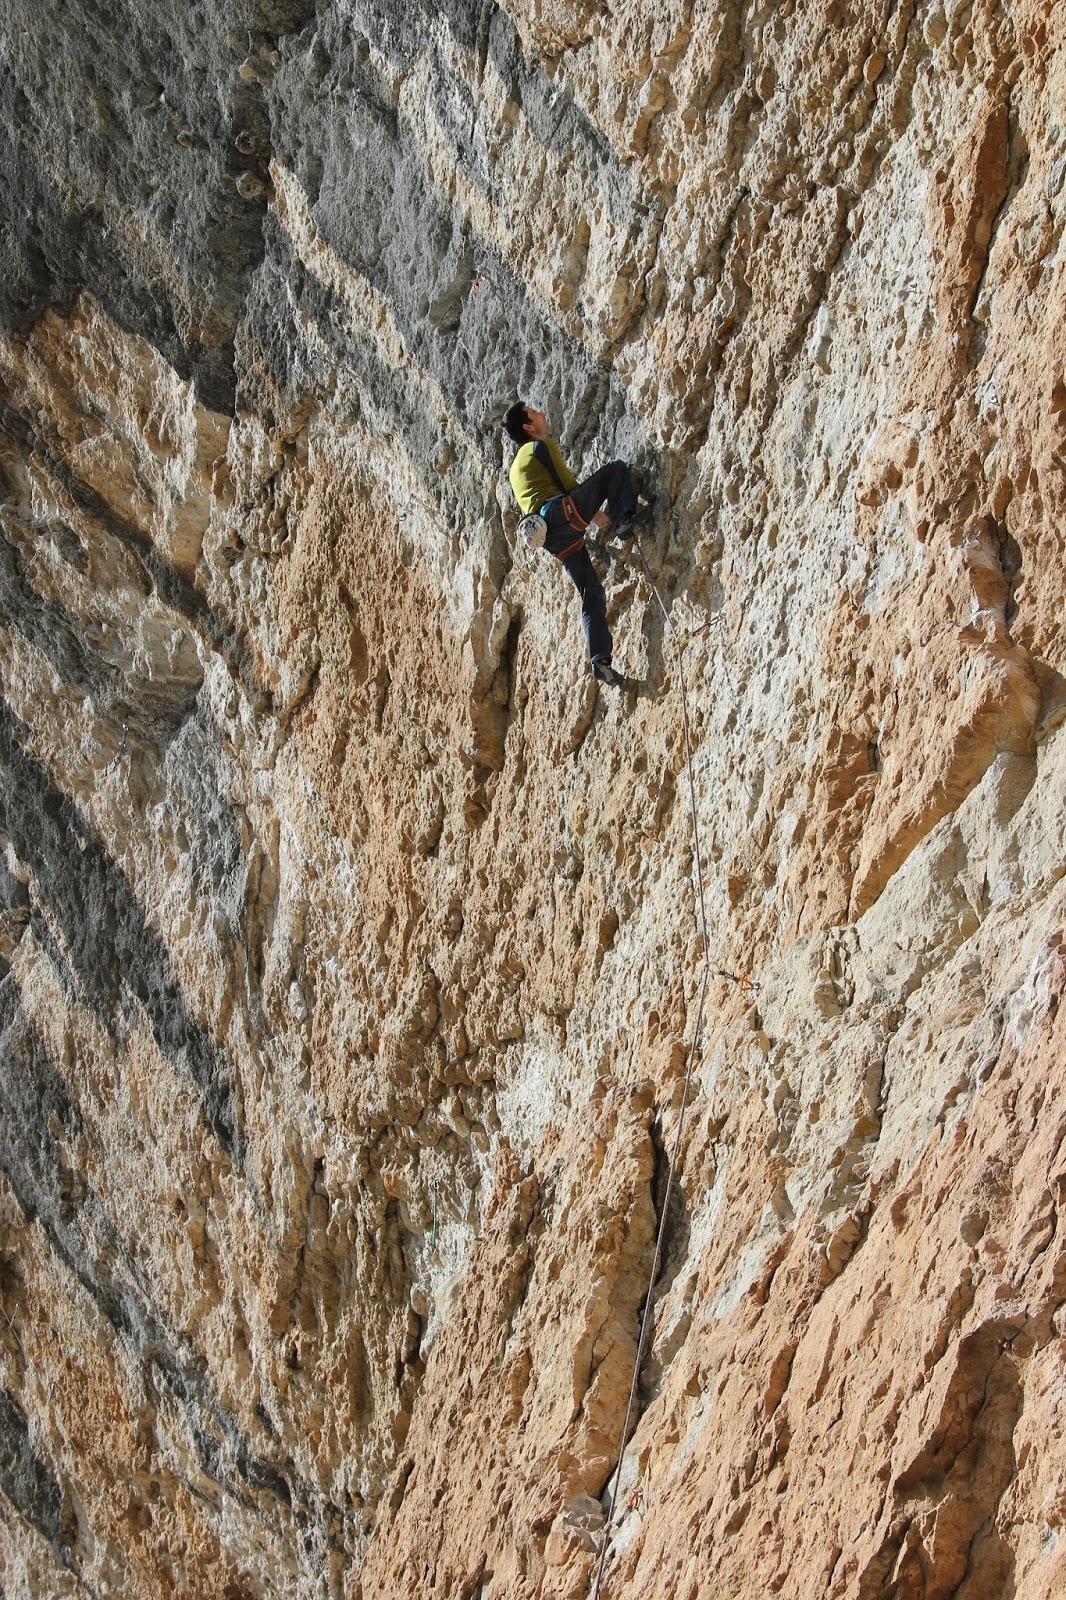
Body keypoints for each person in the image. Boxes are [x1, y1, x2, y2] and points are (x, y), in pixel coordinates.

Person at [502, 402, 648, 685]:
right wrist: (593, 513)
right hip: (562, 513)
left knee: (591, 592)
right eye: (535, 413)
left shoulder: (514, 471)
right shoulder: (540, 447)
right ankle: (624, 520)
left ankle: (600, 659)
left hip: (552, 539)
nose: (543, 413)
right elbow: (567, 482)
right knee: (615, 469)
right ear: (529, 427)